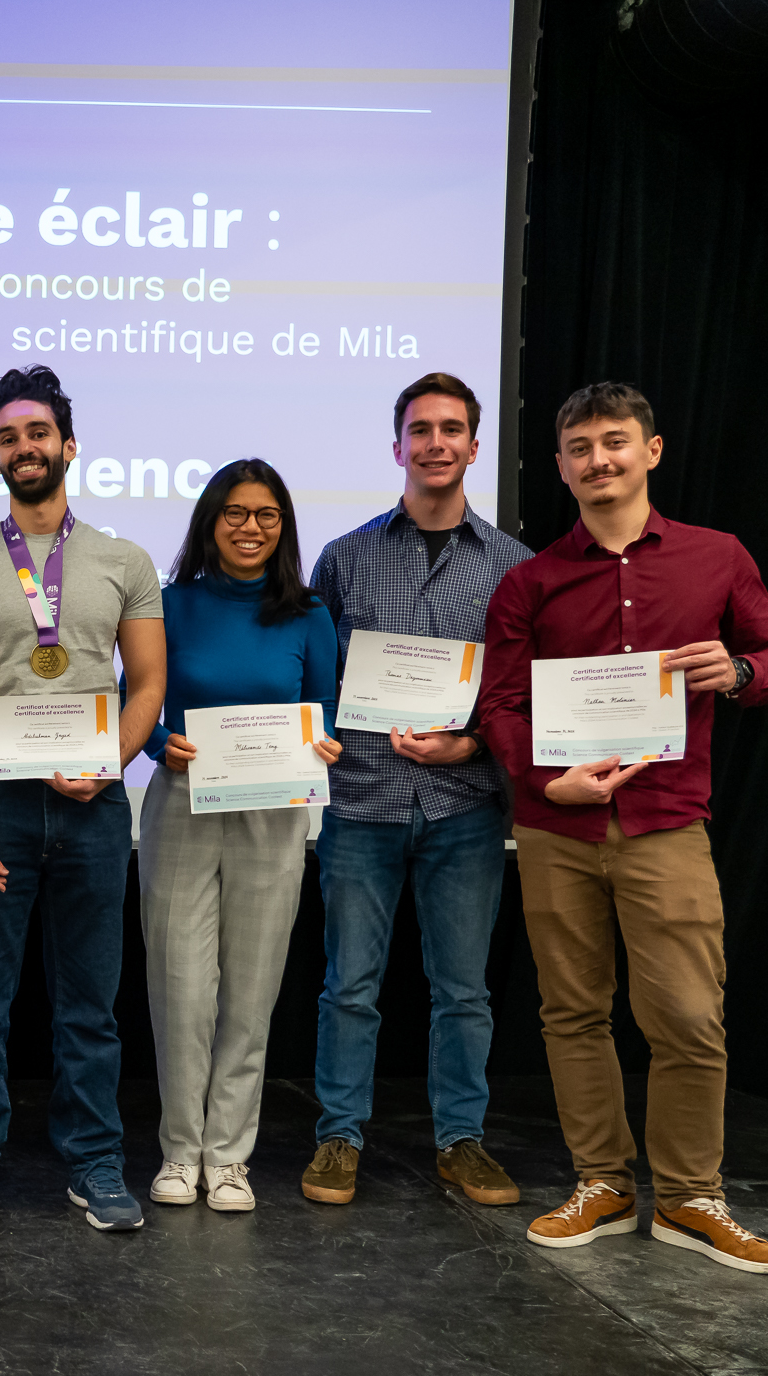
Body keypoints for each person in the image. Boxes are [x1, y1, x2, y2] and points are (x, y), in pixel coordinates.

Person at [479, 382, 768, 1274]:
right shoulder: (529, 580)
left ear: (651, 451)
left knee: (690, 1015)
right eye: (579, 448)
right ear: (560, 466)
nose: (598, 461)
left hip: (666, 823)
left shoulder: (716, 557)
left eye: (615, 442)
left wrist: (734, 669)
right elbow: (500, 705)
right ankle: (603, 1182)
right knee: (573, 1011)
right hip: (558, 828)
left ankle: (693, 1196)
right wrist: (551, 778)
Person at [0, 365, 167, 1234]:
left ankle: (96, 1160)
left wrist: (112, 763)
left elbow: (147, 686)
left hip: (95, 809)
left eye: (37, 434)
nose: (23, 449)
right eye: (7, 438)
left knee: (90, 1006)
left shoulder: (124, 561)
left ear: (68, 444)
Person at [300, 373, 533, 1210]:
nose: (435, 443)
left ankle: (462, 1141)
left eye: (451, 429)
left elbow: (520, 693)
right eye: (420, 429)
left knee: (463, 988)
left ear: (475, 445)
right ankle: (338, 1136)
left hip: (464, 804)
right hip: (361, 798)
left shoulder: (516, 565)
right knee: (349, 984)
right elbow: (314, 678)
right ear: (396, 445)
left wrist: (469, 740)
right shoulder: (344, 556)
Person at [139, 460, 340, 1212]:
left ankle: (228, 1157)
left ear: (283, 525)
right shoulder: (167, 606)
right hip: (183, 802)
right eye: (234, 511)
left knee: (251, 989)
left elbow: (324, 712)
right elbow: (137, 701)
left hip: (272, 809)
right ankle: (177, 1150)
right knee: (180, 988)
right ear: (208, 519)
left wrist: (325, 745)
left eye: (266, 514)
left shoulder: (309, 614)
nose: (250, 526)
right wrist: (159, 743)